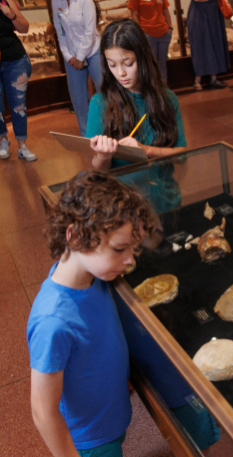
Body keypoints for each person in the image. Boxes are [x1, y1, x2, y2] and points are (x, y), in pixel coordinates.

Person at [27, 170, 158, 456]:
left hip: (110, 419)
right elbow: (42, 411)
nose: (129, 260)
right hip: (91, 442)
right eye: (120, 249)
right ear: (74, 237)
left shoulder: (96, 277)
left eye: (133, 249)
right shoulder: (53, 321)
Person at [87, 19, 187, 214]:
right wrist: (103, 156)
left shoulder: (167, 99)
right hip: (124, 207)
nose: (121, 73)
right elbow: (98, 172)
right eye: (112, 65)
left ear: (142, 57)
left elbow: (182, 154)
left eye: (128, 63)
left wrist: (146, 150)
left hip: (165, 201)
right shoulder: (100, 104)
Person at [52, 0, 102, 137]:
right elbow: (60, 32)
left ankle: (112, 132)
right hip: (71, 55)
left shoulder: (85, 1)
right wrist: (68, 56)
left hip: (92, 50)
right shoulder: (56, 2)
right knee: (78, 100)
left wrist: (80, 57)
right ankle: (87, 138)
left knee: (106, 92)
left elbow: (90, 32)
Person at [0, 0, 34, 161]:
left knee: (18, 105)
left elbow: (24, 28)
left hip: (15, 61)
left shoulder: (5, 1)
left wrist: (10, 14)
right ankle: (3, 140)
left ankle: (22, 145)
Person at [187, 0, 229, 91]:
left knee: (215, 41)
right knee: (199, 44)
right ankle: (197, 79)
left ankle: (214, 78)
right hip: (198, 11)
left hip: (213, 10)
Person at [128, 0, 173, 82]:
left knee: (162, 64)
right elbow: (134, 16)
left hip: (164, 33)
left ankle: (164, 89)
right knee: (151, 64)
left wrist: (170, 28)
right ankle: (154, 90)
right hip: (148, 34)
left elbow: (166, 11)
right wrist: (142, 33)